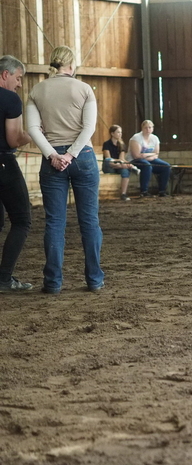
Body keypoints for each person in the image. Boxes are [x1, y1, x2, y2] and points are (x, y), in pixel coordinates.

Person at [26, 45, 104, 294]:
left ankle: (52, 282)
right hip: (82, 157)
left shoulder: (37, 90)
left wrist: (53, 155)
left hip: (52, 161)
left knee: (55, 223)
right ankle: (94, 279)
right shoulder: (83, 89)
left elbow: (33, 129)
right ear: (71, 65)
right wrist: (71, 154)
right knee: (89, 221)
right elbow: (89, 128)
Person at [0, 55, 33, 293]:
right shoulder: (10, 99)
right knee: (22, 219)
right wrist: (32, 134)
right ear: (5, 75)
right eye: (18, 78)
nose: (19, 84)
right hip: (3, 163)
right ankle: (4, 278)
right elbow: (13, 138)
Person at [129, 119, 171, 197]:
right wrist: (150, 155)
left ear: (152, 128)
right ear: (142, 128)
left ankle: (162, 191)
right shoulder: (136, 137)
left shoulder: (155, 138)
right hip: (135, 160)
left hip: (149, 159)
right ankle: (144, 191)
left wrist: (145, 155)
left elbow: (156, 154)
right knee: (147, 165)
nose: (148, 129)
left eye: (149, 127)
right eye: (146, 128)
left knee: (166, 166)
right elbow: (136, 155)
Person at [102, 124, 139, 201]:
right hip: (109, 166)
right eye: (118, 132)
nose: (120, 134)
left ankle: (123, 194)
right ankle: (129, 167)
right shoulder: (106, 144)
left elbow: (122, 158)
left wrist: (127, 163)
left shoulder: (122, 145)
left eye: (121, 132)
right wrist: (121, 163)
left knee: (125, 170)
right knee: (108, 161)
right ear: (112, 133)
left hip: (118, 165)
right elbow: (108, 158)